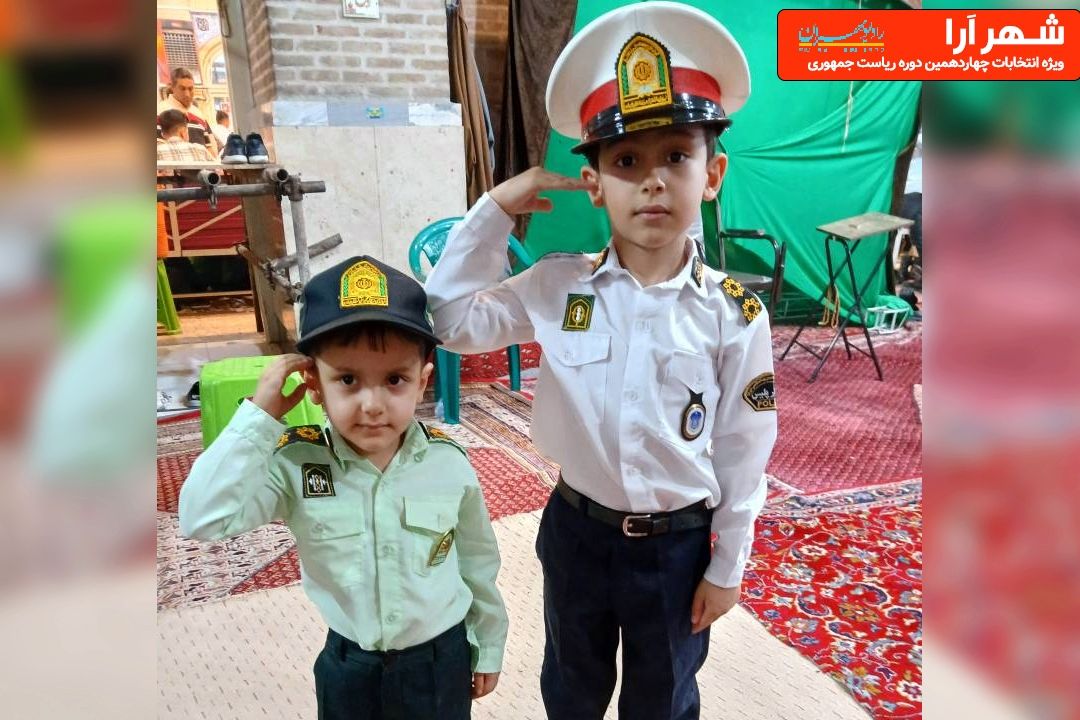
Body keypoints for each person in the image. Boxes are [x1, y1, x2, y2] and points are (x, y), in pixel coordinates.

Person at [425, 3, 777, 719]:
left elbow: (746, 445)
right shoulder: (558, 285)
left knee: (662, 701)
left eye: (676, 156)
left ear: (713, 173)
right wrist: (495, 209)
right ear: (594, 183)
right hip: (578, 534)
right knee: (572, 691)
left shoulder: (734, 313)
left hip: (677, 546)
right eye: (625, 162)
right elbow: (449, 321)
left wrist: (728, 565)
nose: (653, 181)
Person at [179, 256, 508, 720]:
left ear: (422, 383)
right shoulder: (296, 464)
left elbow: (477, 560)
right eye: (348, 380)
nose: (372, 404)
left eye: (395, 379)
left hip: (439, 661)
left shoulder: (448, 463)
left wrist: (489, 642)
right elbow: (201, 519)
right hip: (349, 664)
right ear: (314, 384)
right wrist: (259, 417)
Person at [157, 67, 217, 154]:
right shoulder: (160, 111)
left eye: (190, 89)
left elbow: (210, 148)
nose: (187, 94)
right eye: (182, 89)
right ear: (172, 88)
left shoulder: (199, 114)